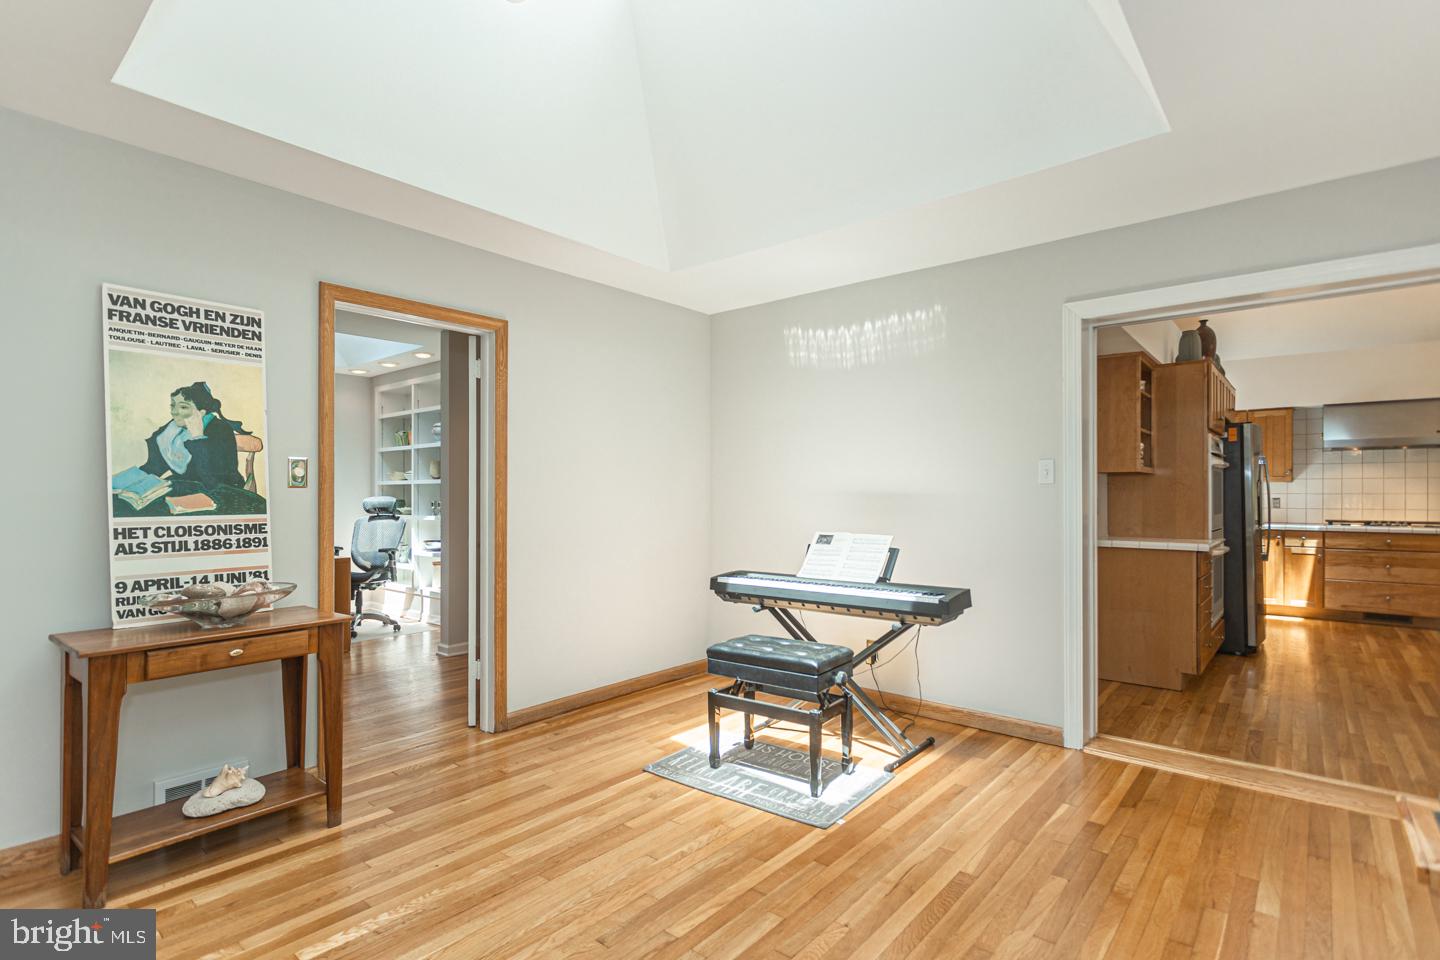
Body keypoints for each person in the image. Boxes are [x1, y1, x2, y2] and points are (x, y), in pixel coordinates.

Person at [139, 381, 250, 491]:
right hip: (185, 487)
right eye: (172, 406)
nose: (174, 412)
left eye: (183, 407)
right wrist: (130, 483)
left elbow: (212, 481)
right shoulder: (172, 429)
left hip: (221, 489)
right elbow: (154, 467)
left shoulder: (221, 430)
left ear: (201, 412)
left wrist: (197, 437)